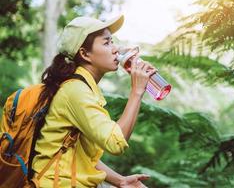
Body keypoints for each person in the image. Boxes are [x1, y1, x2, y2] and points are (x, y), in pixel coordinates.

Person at [30, 15, 156, 187]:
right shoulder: (75, 91)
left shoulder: (84, 88)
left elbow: (82, 154)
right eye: (107, 43)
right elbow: (115, 143)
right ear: (84, 53)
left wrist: (121, 181)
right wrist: (136, 91)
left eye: (112, 42)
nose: (115, 49)